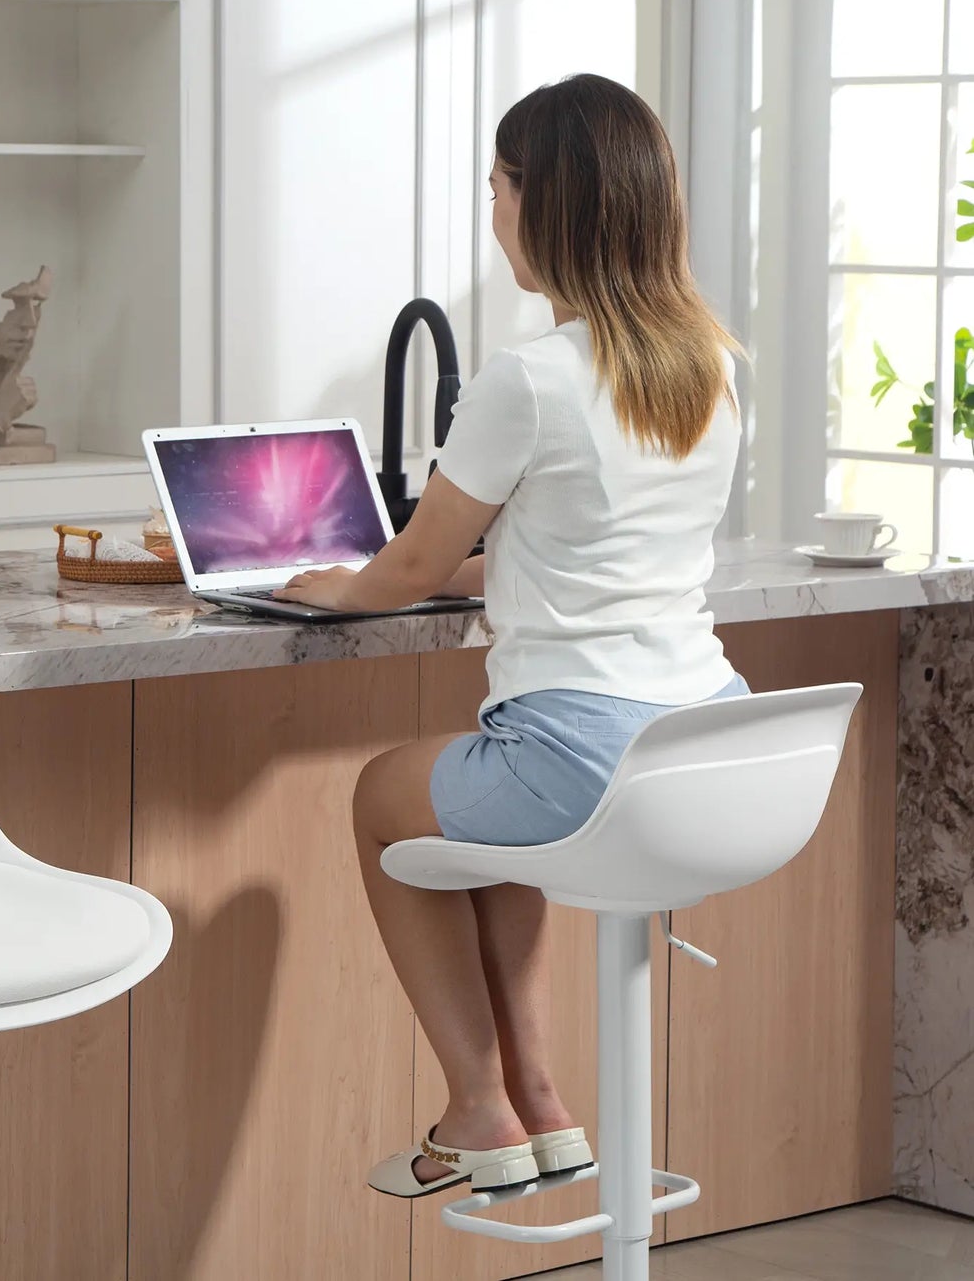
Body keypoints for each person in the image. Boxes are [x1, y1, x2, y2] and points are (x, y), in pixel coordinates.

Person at [273, 72, 748, 1197]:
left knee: (386, 794)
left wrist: (326, 586)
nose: (491, 210)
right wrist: (446, 572)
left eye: (497, 185)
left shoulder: (527, 379)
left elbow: (415, 566)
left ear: (548, 203)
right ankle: (538, 1098)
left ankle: (476, 1106)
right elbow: (585, 540)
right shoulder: (708, 366)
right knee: (478, 805)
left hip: (585, 751)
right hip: (706, 742)